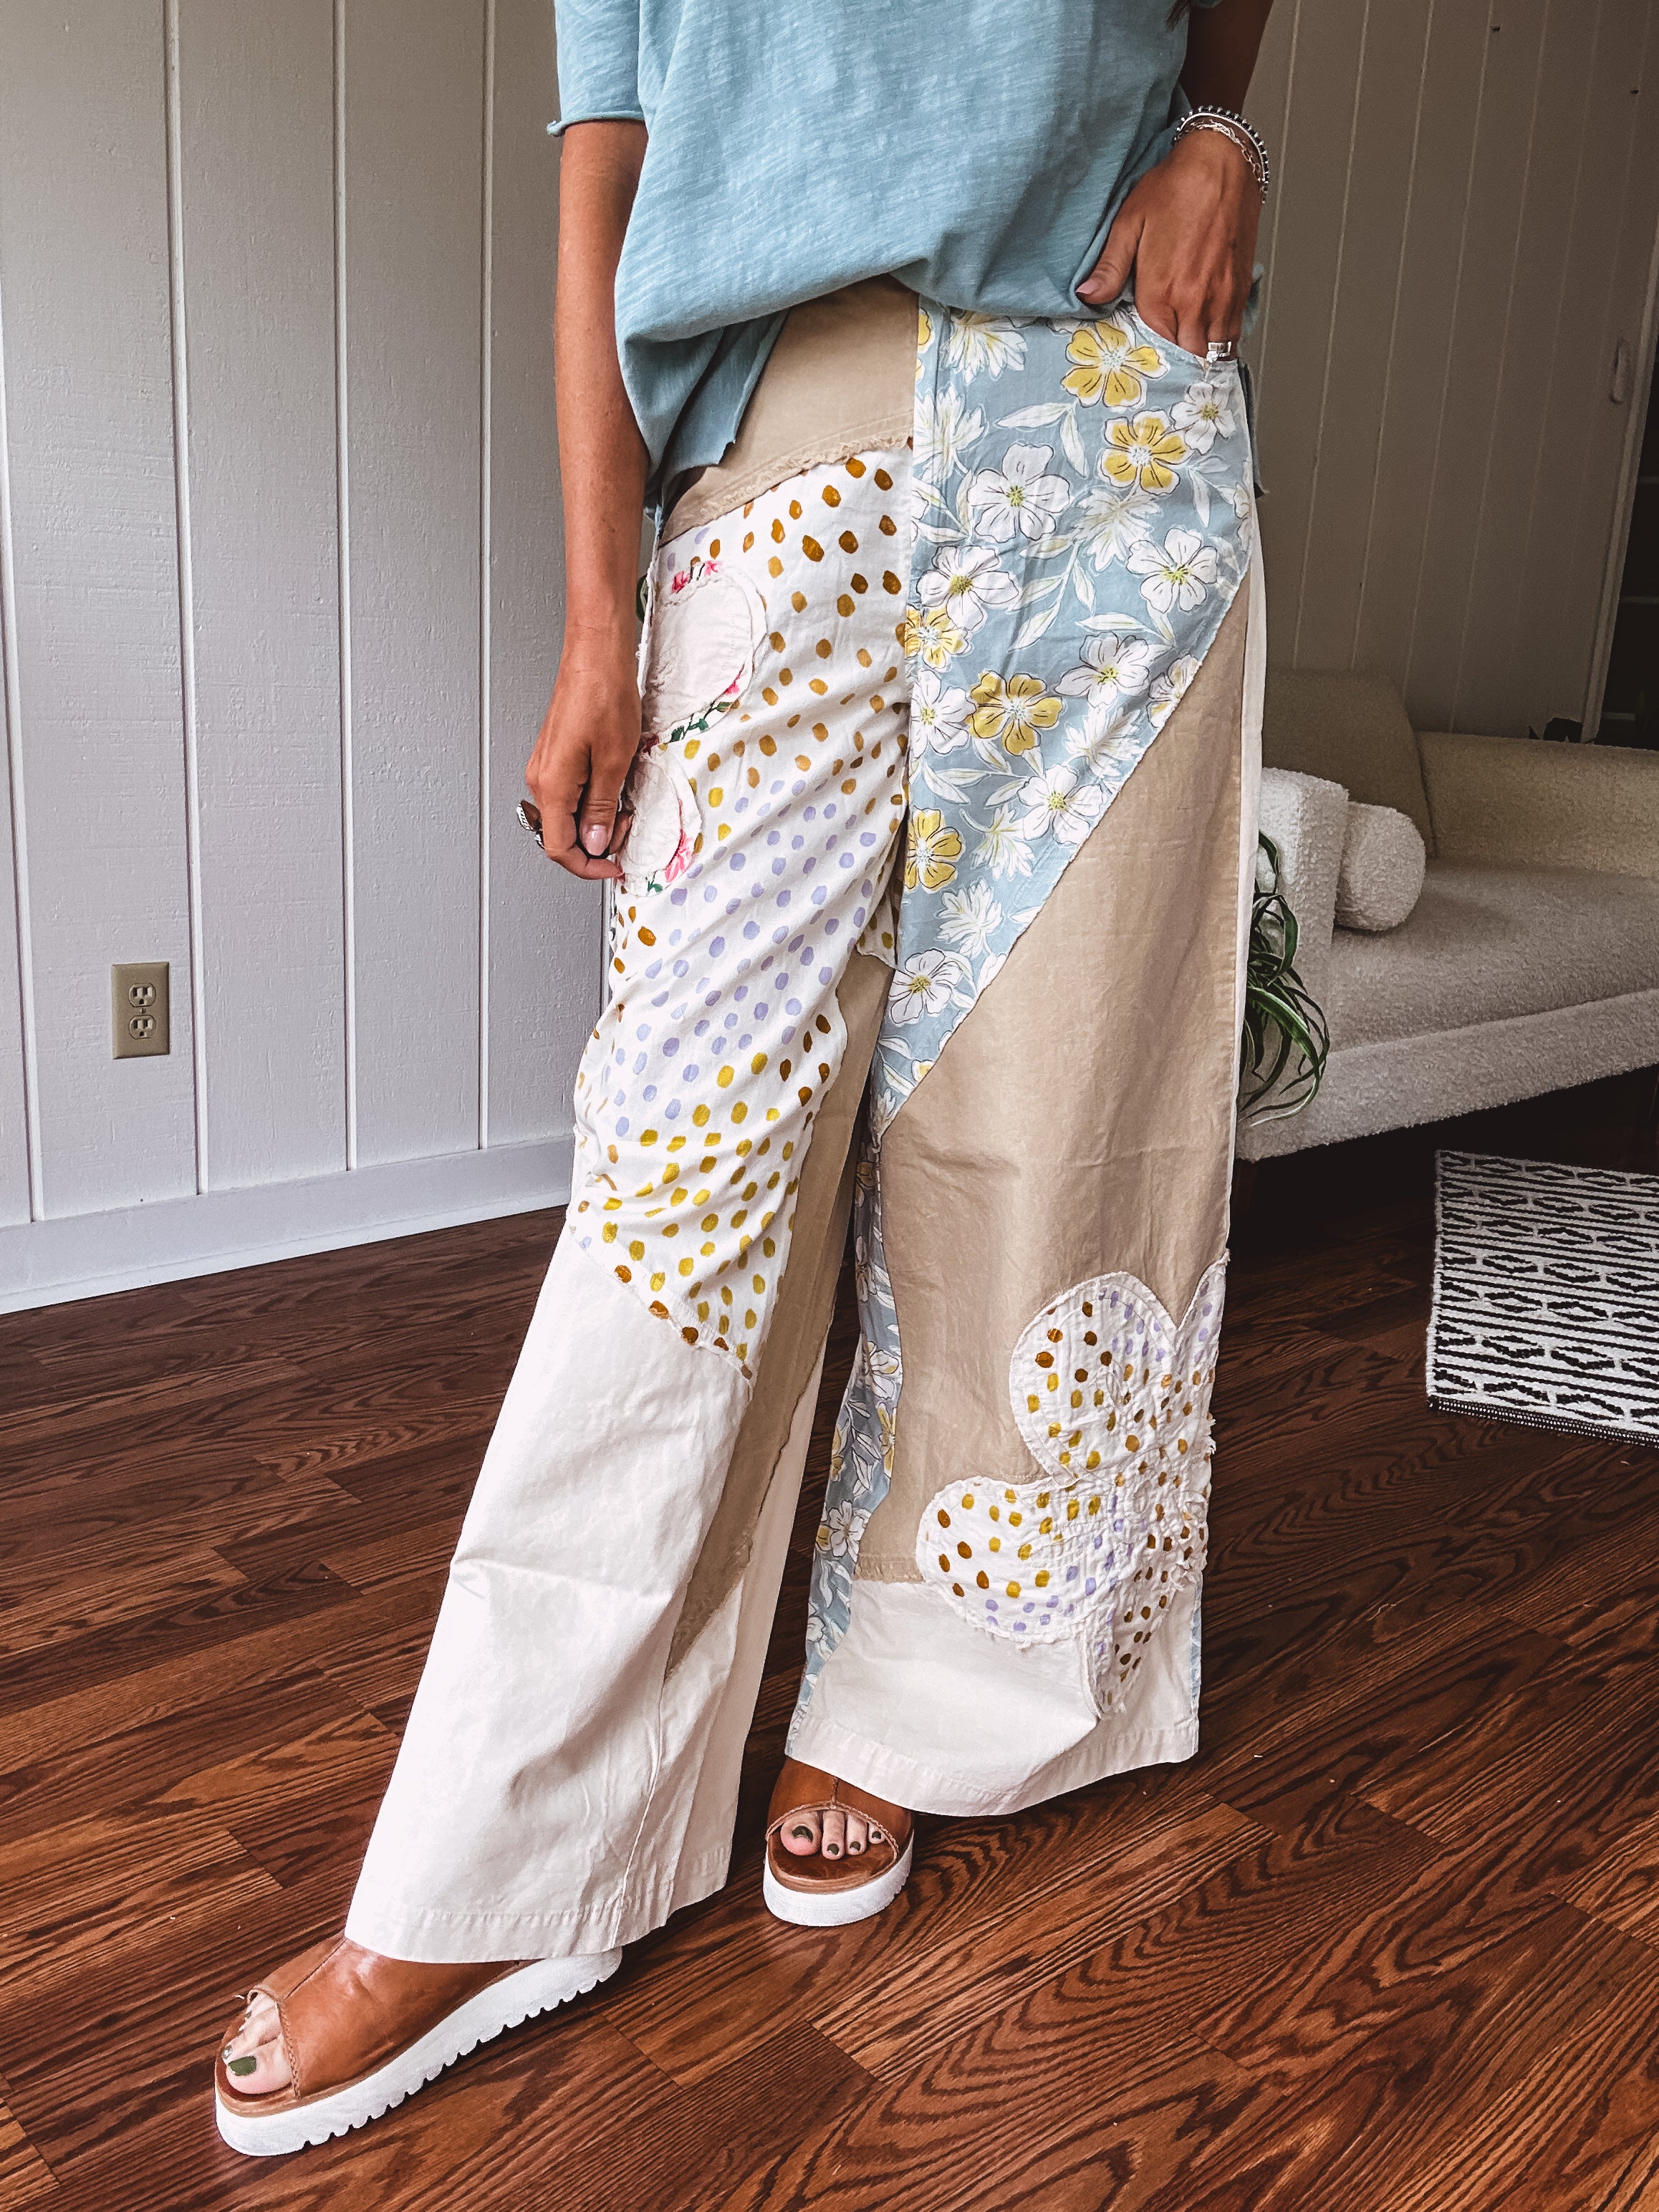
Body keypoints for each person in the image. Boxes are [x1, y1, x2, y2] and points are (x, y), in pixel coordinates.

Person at [213, 0, 1275, 2156]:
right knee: (678, 1182)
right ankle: (500, 1867)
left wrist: (1218, 128)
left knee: (1051, 1119)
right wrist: (596, 621)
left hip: (1112, 429)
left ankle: (919, 1707)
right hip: (787, 441)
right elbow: (603, 172)